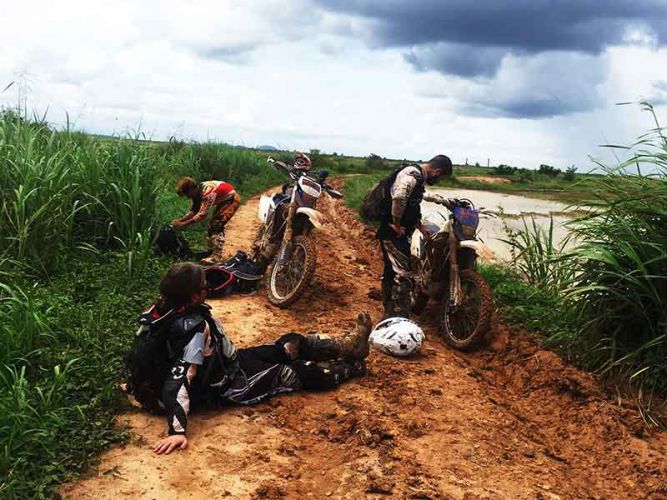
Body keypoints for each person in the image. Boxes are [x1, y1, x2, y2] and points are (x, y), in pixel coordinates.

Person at [147, 262, 372, 455]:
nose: (208, 288)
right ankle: (352, 368)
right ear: (194, 296)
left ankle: (349, 346)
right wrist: (177, 431)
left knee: (289, 344)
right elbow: (183, 375)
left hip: (232, 362)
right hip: (229, 383)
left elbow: (146, 359)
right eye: (203, 286)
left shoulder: (159, 311)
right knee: (295, 372)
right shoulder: (193, 330)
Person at [378, 155, 453, 319]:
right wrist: (397, 223)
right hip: (392, 230)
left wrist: (419, 225)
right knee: (403, 273)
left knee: (393, 270)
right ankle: (398, 316)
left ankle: (389, 310)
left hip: (396, 229)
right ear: (437, 171)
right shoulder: (412, 175)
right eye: (440, 178)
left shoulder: (418, 177)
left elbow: (412, 204)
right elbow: (399, 197)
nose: (438, 182)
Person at [172, 177, 241, 265]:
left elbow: (202, 214)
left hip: (231, 198)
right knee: (211, 227)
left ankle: (216, 256)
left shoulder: (208, 192)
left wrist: (183, 224)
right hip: (224, 198)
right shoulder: (197, 191)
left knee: (217, 224)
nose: (188, 197)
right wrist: (180, 220)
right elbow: (195, 210)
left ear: (192, 189)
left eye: (187, 194)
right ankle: (212, 252)